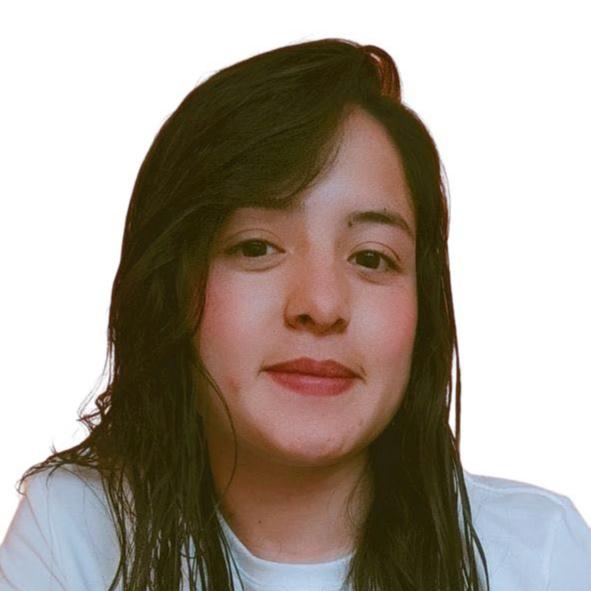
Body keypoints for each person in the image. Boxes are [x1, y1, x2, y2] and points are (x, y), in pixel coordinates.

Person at [0, 37, 589, 591]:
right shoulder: (71, 532)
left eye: (371, 257)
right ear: (170, 285)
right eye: (257, 247)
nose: (322, 306)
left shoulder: (538, 558)